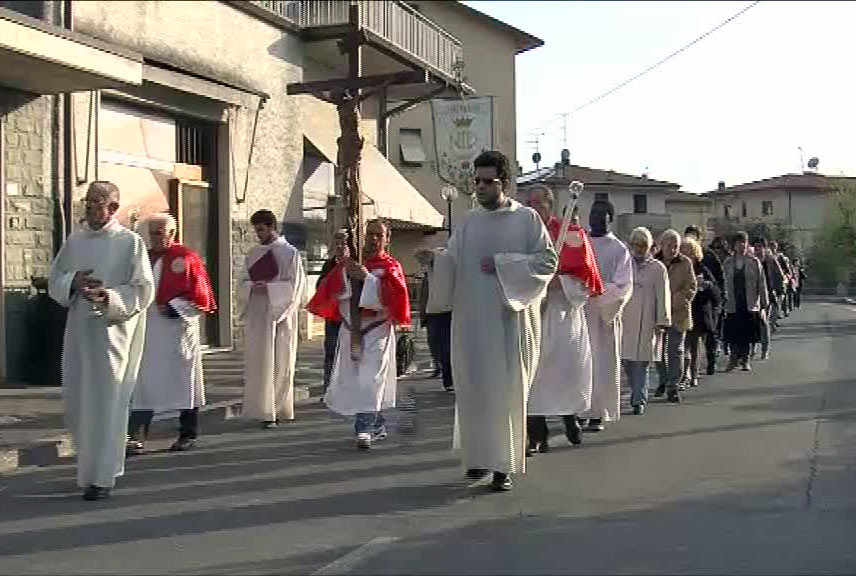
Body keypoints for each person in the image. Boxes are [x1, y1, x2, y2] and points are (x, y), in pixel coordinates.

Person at [418, 150, 556, 492]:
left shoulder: (526, 220)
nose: (478, 187)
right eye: (475, 181)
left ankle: (503, 467)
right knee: (475, 391)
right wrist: (435, 262)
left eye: (486, 181)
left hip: (508, 323)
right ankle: (478, 459)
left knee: (504, 393)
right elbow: (453, 258)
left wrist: (504, 264)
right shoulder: (469, 221)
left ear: (504, 183)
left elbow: (547, 262)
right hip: (472, 322)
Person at [48, 181, 155, 501]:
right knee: (81, 400)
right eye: (88, 201)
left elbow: (142, 289)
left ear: (113, 207)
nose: (91, 207)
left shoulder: (130, 242)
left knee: (108, 402)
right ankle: (87, 470)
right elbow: (56, 278)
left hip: (112, 333)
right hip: (80, 330)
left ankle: (104, 476)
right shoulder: (75, 240)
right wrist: (73, 282)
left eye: (98, 202)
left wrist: (108, 296)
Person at [308, 219, 410, 449]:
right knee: (356, 381)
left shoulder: (391, 266)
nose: (373, 239)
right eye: (370, 234)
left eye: (378, 235)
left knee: (371, 379)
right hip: (351, 329)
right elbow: (330, 289)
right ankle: (377, 422)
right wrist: (344, 268)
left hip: (377, 330)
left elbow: (396, 298)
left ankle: (364, 428)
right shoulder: (352, 263)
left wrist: (368, 279)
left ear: (387, 239)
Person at [127, 213, 217, 454]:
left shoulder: (187, 259)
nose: (154, 238)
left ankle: (187, 433)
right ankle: (135, 437)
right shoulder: (142, 257)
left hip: (176, 331)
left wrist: (174, 307)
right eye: (151, 233)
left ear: (172, 234)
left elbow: (200, 298)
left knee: (183, 382)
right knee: (142, 383)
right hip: (147, 330)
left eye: (159, 233)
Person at [526, 185, 603, 453]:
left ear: (549, 205)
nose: (532, 207)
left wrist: (560, 283)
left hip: (562, 314)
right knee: (534, 375)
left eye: (538, 202)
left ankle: (570, 419)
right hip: (534, 313)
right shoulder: (523, 235)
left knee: (563, 372)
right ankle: (537, 432)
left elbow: (586, 279)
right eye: (529, 202)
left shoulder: (571, 234)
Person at [239, 210, 306, 428]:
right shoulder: (253, 253)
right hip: (259, 313)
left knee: (280, 361)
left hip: (279, 316)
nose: (257, 234)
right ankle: (260, 408)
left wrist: (270, 288)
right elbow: (242, 282)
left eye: (261, 229)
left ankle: (276, 409)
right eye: (255, 229)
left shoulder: (290, 253)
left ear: (272, 227)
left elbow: (296, 288)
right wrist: (251, 287)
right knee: (259, 360)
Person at [582, 200, 634, 432]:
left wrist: (599, 292)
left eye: (601, 216)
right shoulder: (580, 242)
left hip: (605, 316)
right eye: (593, 215)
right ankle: (578, 410)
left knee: (602, 364)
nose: (595, 220)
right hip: (580, 311)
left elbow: (624, 284)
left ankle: (598, 413)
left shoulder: (619, 249)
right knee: (579, 362)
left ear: (610, 219)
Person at [621, 227, 670, 415]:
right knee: (626, 360)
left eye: (642, 245)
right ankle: (636, 390)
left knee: (642, 361)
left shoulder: (658, 268)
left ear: (649, 247)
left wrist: (662, 320)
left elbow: (663, 295)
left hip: (648, 320)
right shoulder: (625, 264)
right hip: (626, 318)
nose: (638, 249)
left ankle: (638, 399)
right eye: (635, 245)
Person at [653, 230, 697, 403]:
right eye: (669, 246)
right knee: (658, 352)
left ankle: (673, 385)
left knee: (675, 350)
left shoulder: (685, 263)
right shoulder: (654, 263)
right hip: (657, 313)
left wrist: (679, 299)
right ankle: (663, 379)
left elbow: (691, 286)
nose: (672, 250)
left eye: (676, 246)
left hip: (678, 313)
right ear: (661, 245)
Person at [723, 232, 768, 371]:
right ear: (734, 245)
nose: (741, 245)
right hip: (733, 302)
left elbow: (761, 282)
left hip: (749, 301)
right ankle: (733, 358)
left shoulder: (754, 262)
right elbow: (723, 281)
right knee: (734, 331)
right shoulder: (728, 262)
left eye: (744, 242)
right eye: (738, 242)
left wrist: (764, 301)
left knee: (747, 332)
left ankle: (745, 359)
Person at [681, 237, 721, 388]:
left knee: (695, 344)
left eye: (689, 252)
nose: (686, 255)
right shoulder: (679, 267)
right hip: (683, 311)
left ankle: (694, 373)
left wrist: (707, 285)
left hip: (699, 311)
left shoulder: (703, 270)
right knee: (683, 346)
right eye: (683, 251)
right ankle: (685, 374)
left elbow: (716, 293)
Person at [417, 249, 453, 392]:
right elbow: (423, 296)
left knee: (445, 348)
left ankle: (448, 379)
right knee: (434, 344)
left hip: (445, 312)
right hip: (431, 313)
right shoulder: (428, 277)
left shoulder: (443, 273)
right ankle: (438, 366)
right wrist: (422, 314)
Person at [317, 229, 349, 394]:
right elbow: (319, 285)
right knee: (331, 352)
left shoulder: (354, 264)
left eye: (343, 243)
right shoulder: (329, 264)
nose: (340, 246)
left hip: (350, 317)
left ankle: (346, 389)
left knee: (348, 354)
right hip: (333, 317)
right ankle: (329, 390)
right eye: (337, 243)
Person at [753, 237, 784, 361]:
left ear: (765, 248)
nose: (758, 250)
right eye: (755, 247)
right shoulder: (752, 261)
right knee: (753, 322)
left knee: (764, 321)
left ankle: (765, 349)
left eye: (760, 247)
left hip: (768, 295)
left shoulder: (770, 260)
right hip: (753, 295)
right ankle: (753, 347)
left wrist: (777, 291)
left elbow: (779, 275)